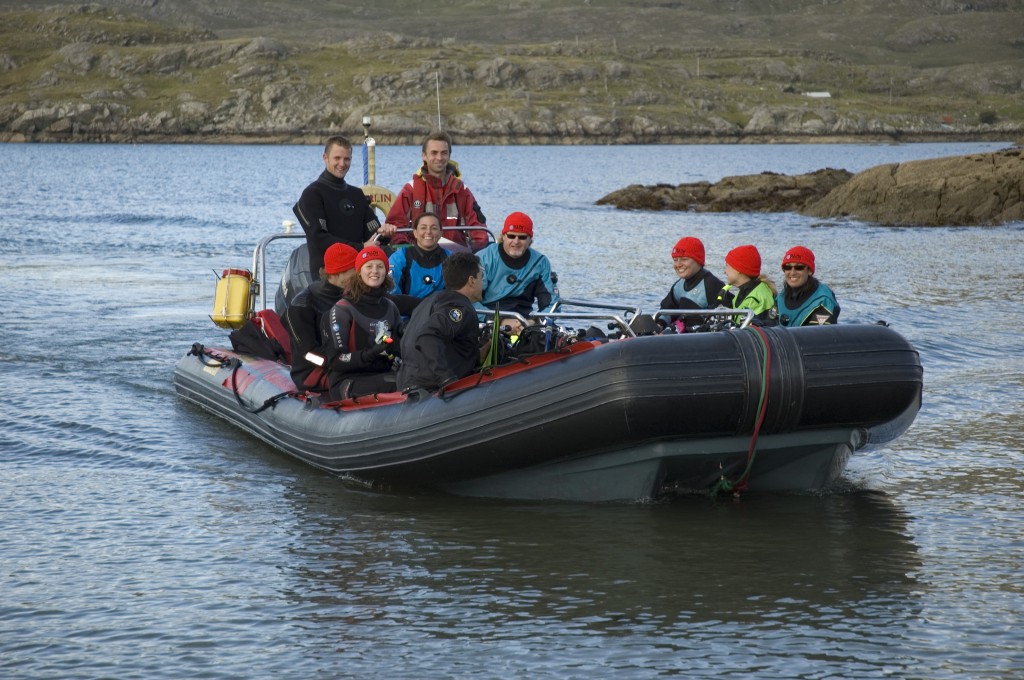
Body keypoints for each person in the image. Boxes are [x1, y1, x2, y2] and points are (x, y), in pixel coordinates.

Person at [293, 135, 397, 273]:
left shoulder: (357, 195)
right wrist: (360, 248)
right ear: (325, 158)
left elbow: (373, 234)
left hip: (358, 271)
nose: (342, 164)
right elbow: (319, 238)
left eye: (347, 159)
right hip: (327, 274)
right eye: (337, 158)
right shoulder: (312, 194)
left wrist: (384, 233)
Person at [319, 246, 402, 400]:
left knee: (415, 379)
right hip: (347, 380)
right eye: (369, 266)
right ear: (359, 272)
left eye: (380, 266)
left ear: (386, 271)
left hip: (383, 373)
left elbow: (399, 349)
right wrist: (371, 353)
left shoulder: (391, 307)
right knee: (397, 384)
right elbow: (336, 361)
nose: (375, 271)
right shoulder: (342, 309)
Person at [397, 252, 485, 393]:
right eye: (481, 277)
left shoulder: (429, 301)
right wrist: (446, 379)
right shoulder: (458, 307)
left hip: (408, 383)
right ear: (472, 280)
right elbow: (427, 336)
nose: (482, 283)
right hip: (430, 390)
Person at [385, 130, 488, 251]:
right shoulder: (411, 189)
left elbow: (478, 228)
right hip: (418, 257)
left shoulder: (461, 190)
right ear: (424, 155)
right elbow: (395, 226)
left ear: (449, 155)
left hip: (455, 258)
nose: (439, 158)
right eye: (434, 153)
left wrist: (475, 253)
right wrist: (407, 253)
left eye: (444, 153)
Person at [282, 242, 359, 392]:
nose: (359, 275)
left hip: (349, 362)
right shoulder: (301, 305)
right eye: (354, 270)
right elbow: (308, 354)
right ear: (338, 273)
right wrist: (341, 364)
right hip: (314, 371)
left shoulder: (354, 294)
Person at [476, 211, 559, 327]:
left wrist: (534, 322)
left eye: (522, 237)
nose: (516, 241)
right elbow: (468, 300)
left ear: (530, 239)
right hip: (490, 318)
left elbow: (552, 304)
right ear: (503, 236)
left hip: (526, 321)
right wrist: (500, 321)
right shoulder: (483, 258)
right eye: (511, 236)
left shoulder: (541, 262)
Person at [656, 236, 725, 333]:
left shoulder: (711, 285)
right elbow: (667, 310)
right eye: (675, 260)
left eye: (684, 259)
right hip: (680, 335)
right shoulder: (678, 286)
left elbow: (724, 319)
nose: (678, 264)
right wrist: (659, 324)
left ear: (698, 260)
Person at [388, 212, 450, 300]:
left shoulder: (451, 258)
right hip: (406, 311)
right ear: (415, 233)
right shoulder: (400, 257)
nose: (428, 232)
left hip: (440, 311)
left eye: (434, 228)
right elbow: (391, 293)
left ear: (440, 233)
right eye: (423, 228)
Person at [776, 246, 841, 326]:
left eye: (799, 267)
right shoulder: (780, 298)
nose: (792, 272)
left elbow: (818, 335)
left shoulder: (823, 300)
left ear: (809, 271)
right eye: (788, 267)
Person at [719, 244, 779, 326]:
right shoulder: (743, 293)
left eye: (727, 266)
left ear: (738, 269)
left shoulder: (758, 298)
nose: (725, 272)